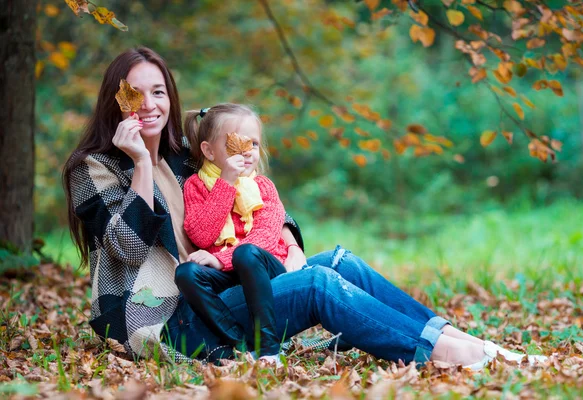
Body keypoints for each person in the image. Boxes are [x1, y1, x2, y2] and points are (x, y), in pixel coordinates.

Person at [63, 46, 547, 369]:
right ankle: (453, 355)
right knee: (318, 285)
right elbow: (126, 247)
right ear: (115, 99)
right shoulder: (95, 167)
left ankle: (468, 342)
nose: (148, 104)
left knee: (338, 261)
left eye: (159, 91)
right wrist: (141, 164)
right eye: (134, 92)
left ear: (171, 97)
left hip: (221, 288)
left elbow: (250, 191)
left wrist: (288, 238)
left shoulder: (188, 159)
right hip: (166, 322)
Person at [179, 104, 290, 363]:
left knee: (246, 253)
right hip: (229, 276)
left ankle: (269, 349)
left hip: (264, 269)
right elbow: (201, 236)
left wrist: (221, 259)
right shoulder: (195, 186)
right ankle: (239, 344)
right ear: (208, 150)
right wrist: (225, 183)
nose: (247, 152)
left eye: (253, 144)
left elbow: (266, 237)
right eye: (235, 144)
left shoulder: (263, 186)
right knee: (186, 273)